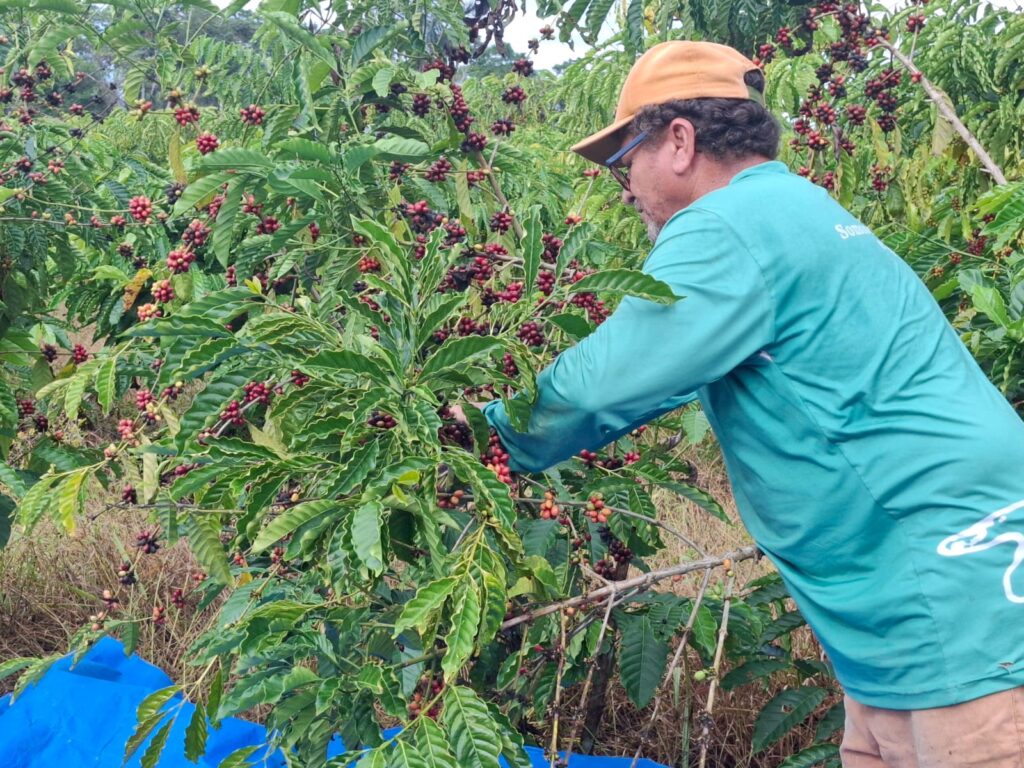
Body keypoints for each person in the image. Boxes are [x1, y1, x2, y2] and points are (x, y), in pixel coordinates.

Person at [480, 40, 1024, 766]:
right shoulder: (796, 205)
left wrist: (478, 440)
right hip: (910, 594)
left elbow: (602, 383)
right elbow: (669, 374)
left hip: (951, 583)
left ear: (679, 141)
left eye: (623, 161)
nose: (625, 188)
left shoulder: (723, 225)